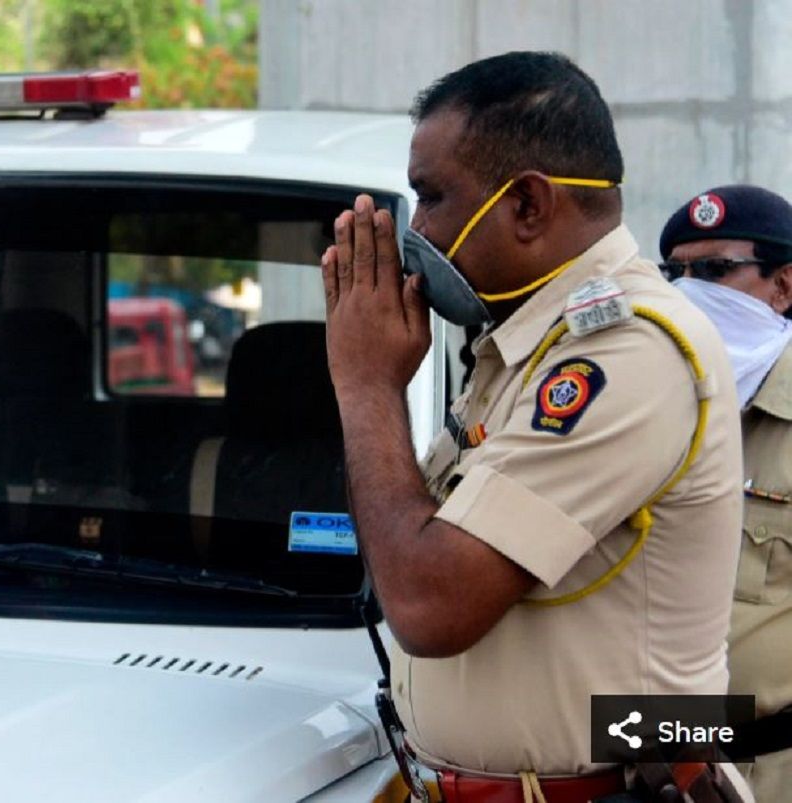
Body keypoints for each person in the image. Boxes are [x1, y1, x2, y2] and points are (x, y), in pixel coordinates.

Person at [321, 52, 749, 800]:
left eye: (433, 197)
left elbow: (429, 604)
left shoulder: (628, 350)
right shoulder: (525, 345)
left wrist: (366, 384)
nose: (417, 229)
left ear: (527, 205)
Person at [659, 185, 792, 802]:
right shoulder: (643, 411)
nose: (689, 292)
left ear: (783, 287)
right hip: (640, 762)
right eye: (675, 273)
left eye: (715, 271)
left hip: (771, 770)